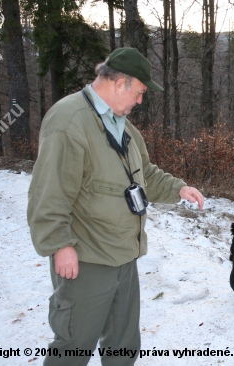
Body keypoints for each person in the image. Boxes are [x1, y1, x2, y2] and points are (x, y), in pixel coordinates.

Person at [27, 47, 204, 366]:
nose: (139, 100)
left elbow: (145, 175)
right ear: (120, 83)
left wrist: (179, 187)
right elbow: (48, 192)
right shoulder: (69, 121)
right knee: (73, 347)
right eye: (139, 92)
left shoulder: (122, 124)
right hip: (86, 260)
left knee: (123, 346)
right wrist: (59, 245)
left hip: (124, 255)